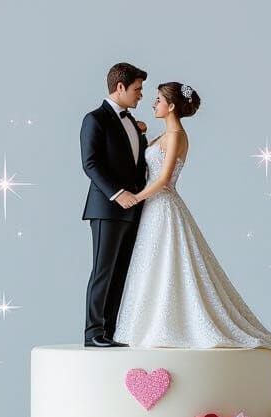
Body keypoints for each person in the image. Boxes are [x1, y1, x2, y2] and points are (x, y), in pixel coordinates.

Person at [113, 82, 271, 359]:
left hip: (162, 205)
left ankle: (168, 327)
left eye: (158, 99)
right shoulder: (165, 135)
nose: (153, 103)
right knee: (153, 263)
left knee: (169, 263)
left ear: (171, 106)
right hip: (153, 207)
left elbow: (162, 180)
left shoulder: (175, 136)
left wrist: (136, 198)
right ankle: (150, 325)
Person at [79, 62, 149, 348]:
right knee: (103, 270)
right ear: (120, 87)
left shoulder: (132, 122)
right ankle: (93, 333)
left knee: (121, 271)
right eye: (137, 89)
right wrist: (116, 193)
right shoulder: (94, 119)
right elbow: (90, 163)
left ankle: (109, 331)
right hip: (107, 207)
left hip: (134, 208)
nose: (140, 95)